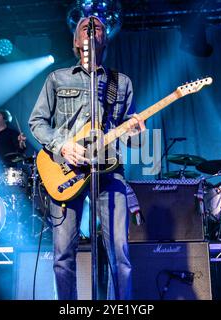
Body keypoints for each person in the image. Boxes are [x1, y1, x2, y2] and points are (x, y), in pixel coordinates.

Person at [28, 16, 145, 300]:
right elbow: (37, 122)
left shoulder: (121, 82)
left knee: (119, 250)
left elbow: (127, 135)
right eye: (84, 26)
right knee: (62, 254)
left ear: (105, 39)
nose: (91, 29)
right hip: (66, 170)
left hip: (109, 169)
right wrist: (63, 146)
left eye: (99, 27)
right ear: (75, 41)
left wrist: (137, 132)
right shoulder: (57, 78)